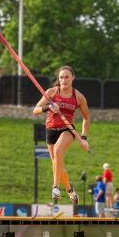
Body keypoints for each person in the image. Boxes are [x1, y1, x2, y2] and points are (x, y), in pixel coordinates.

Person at [33, 65, 90, 204]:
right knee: (57, 164)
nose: (64, 80)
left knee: (58, 151)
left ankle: (55, 187)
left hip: (67, 129)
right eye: (61, 77)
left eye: (67, 77)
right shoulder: (51, 92)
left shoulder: (79, 97)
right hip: (51, 130)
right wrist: (48, 107)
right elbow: (35, 110)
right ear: (58, 79)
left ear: (73, 78)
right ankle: (70, 189)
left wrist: (83, 137)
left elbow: (86, 118)